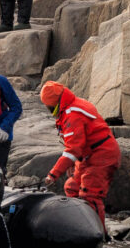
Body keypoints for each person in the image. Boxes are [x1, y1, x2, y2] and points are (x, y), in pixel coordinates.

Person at [39, 81, 121, 230]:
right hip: (88, 156)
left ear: (53, 105)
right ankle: (77, 226)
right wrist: (72, 162)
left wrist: (53, 174)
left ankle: (98, 234)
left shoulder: (73, 115)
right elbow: (78, 143)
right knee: (71, 187)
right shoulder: (72, 105)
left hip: (102, 155)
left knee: (90, 195)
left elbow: (73, 149)